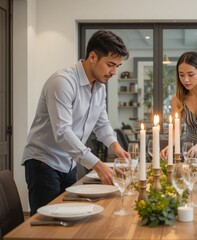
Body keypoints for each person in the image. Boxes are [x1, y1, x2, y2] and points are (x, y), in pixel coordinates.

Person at [22, 30, 130, 215]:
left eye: (117, 66)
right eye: (110, 65)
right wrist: (98, 164)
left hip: (69, 162)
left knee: (70, 217)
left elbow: (102, 125)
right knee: (47, 226)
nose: (113, 72)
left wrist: (117, 149)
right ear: (93, 57)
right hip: (44, 162)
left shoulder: (100, 88)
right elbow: (63, 132)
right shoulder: (62, 82)